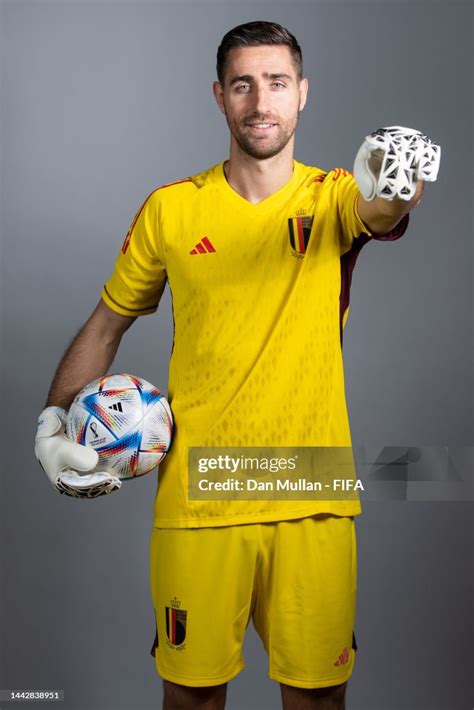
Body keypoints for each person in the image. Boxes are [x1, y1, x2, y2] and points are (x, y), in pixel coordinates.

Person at [35, 20, 438, 710]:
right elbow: (106, 326)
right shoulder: (171, 209)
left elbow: (382, 208)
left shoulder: (333, 197)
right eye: (244, 84)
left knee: (317, 701)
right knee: (190, 700)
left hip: (311, 496)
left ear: (302, 95)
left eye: (277, 83)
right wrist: (51, 423)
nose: (261, 101)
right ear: (219, 96)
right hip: (198, 496)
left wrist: (399, 178)